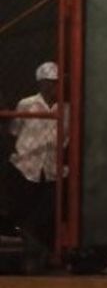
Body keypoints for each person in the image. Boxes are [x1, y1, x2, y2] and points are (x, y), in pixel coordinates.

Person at [7, 61, 68, 269]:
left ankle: (37, 249)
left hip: (50, 167)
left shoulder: (65, 109)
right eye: (49, 82)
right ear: (40, 83)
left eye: (56, 82)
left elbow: (66, 139)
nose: (53, 86)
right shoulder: (26, 104)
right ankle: (31, 251)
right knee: (24, 209)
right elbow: (15, 131)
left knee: (46, 212)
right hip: (26, 165)